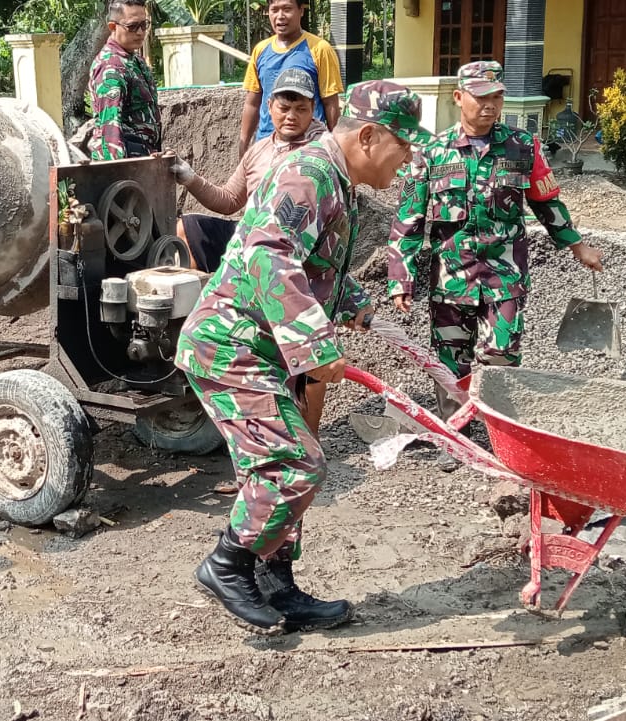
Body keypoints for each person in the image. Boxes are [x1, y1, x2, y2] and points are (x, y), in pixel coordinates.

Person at [176, 81, 424, 635]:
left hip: (262, 349)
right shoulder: (309, 174)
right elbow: (268, 251)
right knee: (296, 464)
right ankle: (228, 564)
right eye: (403, 146)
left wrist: (353, 304)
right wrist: (313, 343)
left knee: (275, 466)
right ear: (369, 135)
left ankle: (277, 585)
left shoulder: (334, 178)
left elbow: (316, 265)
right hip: (231, 345)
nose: (407, 160)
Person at [387, 61, 604, 417]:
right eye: (481, 96)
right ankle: (455, 434)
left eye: (497, 96)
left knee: (500, 354)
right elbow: (409, 218)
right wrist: (401, 276)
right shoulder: (431, 152)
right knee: (450, 361)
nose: (490, 105)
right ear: (459, 97)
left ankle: (499, 431)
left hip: (505, 277)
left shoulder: (523, 146)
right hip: (451, 279)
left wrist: (577, 245)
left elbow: (546, 202)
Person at [170, 67, 333, 437]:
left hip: (296, 255)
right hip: (253, 247)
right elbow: (229, 201)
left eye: (301, 109)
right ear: (270, 108)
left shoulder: (319, 154)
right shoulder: (259, 150)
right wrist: (189, 177)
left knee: (306, 357)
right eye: (283, 106)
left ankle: (310, 439)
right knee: (189, 227)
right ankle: (207, 316)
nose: (291, 116)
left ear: (313, 112)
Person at [238, 0, 342, 157]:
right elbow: (252, 103)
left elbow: (330, 103)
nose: (280, 16)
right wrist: (244, 145)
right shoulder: (260, 51)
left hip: (308, 147)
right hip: (268, 146)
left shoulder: (319, 49)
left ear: (301, 10)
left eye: (287, 9)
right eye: (274, 10)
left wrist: (337, 149)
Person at [87, 0, 161, 161]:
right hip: (124, 162)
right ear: (113, 27)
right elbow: (110, 128)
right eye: (133, 26)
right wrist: (118, 175)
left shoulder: (134, 60)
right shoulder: (111, 68)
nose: (141, 32)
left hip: (142, 158)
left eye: (144, 25)